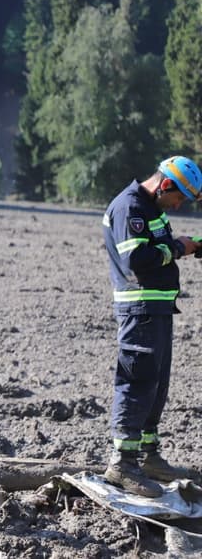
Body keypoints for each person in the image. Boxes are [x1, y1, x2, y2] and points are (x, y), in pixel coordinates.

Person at [101, 156, 202, 497]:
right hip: (139, 307)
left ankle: (148, 456)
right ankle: (122, 465)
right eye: (180, 198)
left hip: (157, 307)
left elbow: (158, 249)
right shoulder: (129, 207)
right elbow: (137, 259)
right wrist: (177, 247)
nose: (179, 206)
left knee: (155, 385)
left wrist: (192, 246)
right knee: (137, 382)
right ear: (165, 185)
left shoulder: (152, 208)